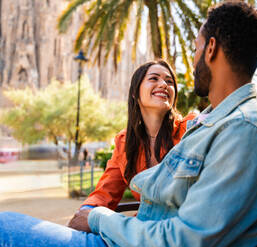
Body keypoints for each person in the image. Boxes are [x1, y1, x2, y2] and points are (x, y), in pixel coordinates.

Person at [0, 2, 257, 247]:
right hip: (128, 236)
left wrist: (99, 220)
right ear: (135, 94)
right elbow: (125, 195)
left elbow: (183, 239)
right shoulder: (214, 126)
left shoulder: (239, 130)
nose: (193, 57)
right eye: (153, 78)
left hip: (127, 238)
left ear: (212, 49)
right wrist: (91, 211)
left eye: (197, 47)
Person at [68, 60, 196, 232]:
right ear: (135, 93)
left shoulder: (191, 130)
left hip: (181, 233)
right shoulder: (125, 143)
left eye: (169, 81)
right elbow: (105, 192)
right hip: (141, 232)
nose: (164, 84)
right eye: (154, 78)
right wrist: (85, 213)